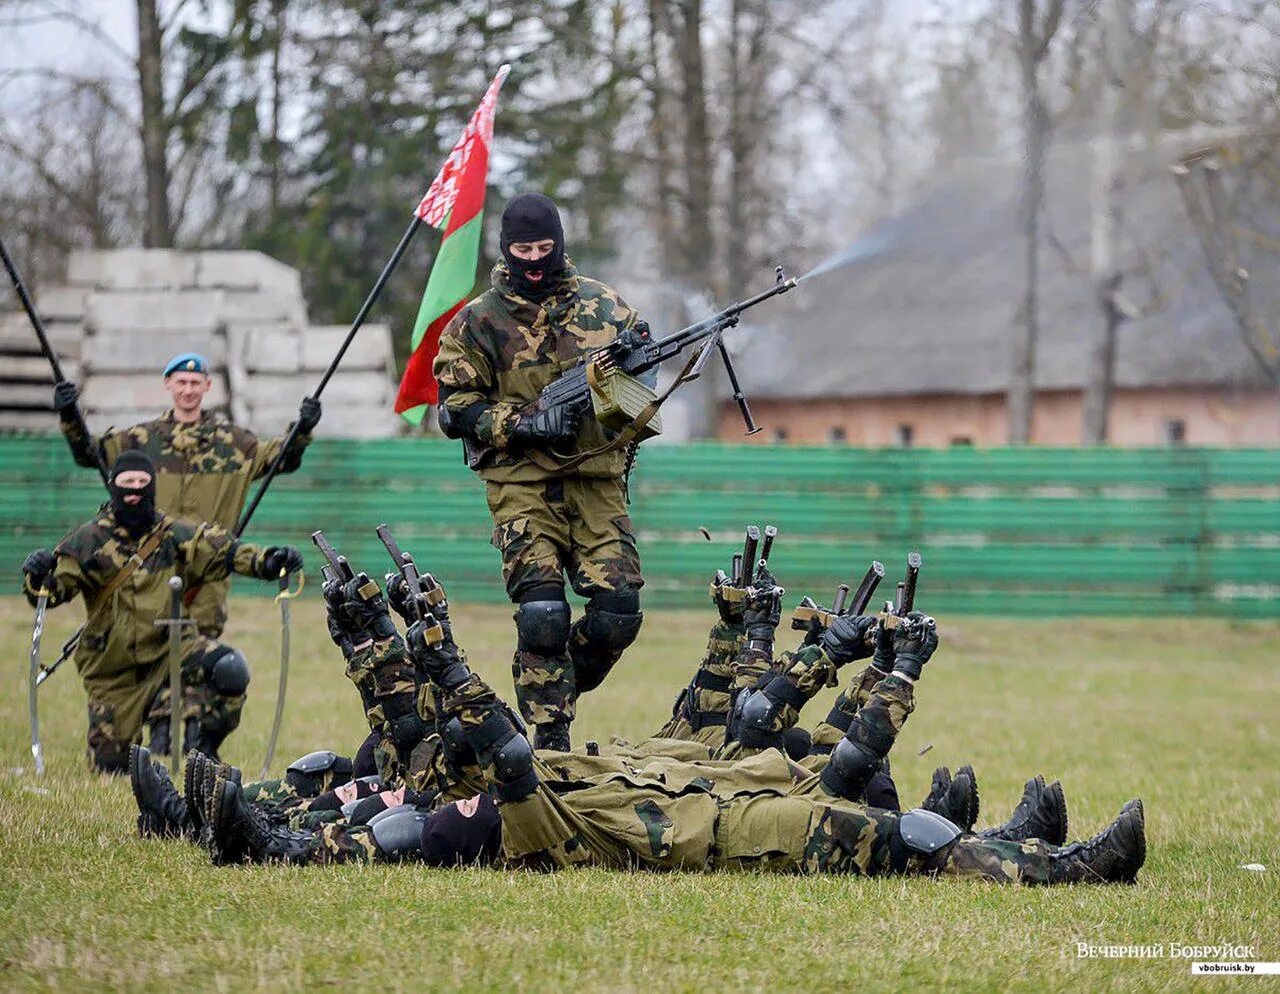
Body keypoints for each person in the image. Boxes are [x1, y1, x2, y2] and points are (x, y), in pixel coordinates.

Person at [193, 571, 1145, 885]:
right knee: (893, 831)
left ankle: (1012, 847)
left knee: (857, 787)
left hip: (724, 790)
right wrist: (422, 651)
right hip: (719, 828)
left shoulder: (536, 784)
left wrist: (772, 636)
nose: (457, 778)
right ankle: (1054, 872)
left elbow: (724, 711)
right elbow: (486, 747)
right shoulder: (528, 821)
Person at [433, 193, 646, 752]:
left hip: (597, 479)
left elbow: (640, 390)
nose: (533, 259)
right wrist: (523, 423)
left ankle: (545, 687)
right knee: (544, 614)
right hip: (520, 482)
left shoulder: (608, 308)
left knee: (619, 614)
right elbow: (453, 408)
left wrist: (630, 374)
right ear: (505, 248)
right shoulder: (477, 322)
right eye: (522, 248)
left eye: (544, 247)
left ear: (560, 243)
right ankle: (550, 742)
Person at [20, 450, 304, 770]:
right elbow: (49, 593)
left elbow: (224, 549)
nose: (135, 491)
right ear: (113, 486)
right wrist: (37, 574)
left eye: (143, 483)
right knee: (111, 765)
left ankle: (201, 752)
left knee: (228, 667)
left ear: (153, 487)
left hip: (172, 651)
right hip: (115, 672)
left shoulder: (172, 533)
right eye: (127, 483)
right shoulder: (87, 540)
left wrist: (268, 560)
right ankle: (140, 729)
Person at [52, 351, 321, 638]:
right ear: (168, 383)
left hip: (208, 575)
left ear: (207, 386)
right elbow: (89, 454)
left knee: (202, 657)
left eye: (195, 382)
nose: (188, 390)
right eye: (181, 382)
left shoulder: (236, 444)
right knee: (145, 650)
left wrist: (302, 429)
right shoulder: (138, 440)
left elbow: (283, 459)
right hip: (149, 574)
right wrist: (70, 416)